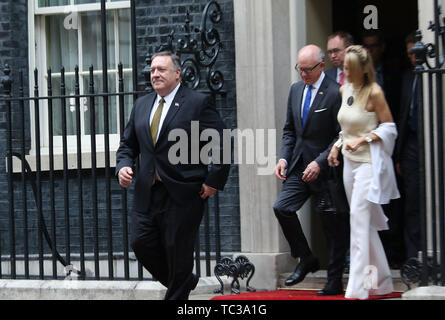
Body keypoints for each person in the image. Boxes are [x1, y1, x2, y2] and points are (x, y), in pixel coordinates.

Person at [115, 51, 230, 300]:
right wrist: (122, 166)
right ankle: (184, 280)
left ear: (177, 74)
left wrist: (214, 179)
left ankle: (179, 287)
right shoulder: (142, 104)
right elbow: (128, 145)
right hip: (148, 191)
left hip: (183, 192)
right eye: (153, 69)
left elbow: (222, 141)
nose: (155, 74)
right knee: (140, 243)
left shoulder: (197, 103)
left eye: (162, 69)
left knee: (178, 252)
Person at [273, 44, 349, 296]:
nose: (303, 74)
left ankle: (334, 280)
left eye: (308, 69)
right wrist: (283, 158)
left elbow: (342, 134)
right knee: (282, 208)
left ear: (321, 66)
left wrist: (320, 161)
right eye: (300, 69)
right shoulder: (295, 91)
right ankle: (305, 257)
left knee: (332, 227)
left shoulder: (335, 93)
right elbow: (290, 130)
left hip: (326, 168)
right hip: (297, 165)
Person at [328, 45, 399, 300]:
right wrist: (337, 146)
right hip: (349, 163)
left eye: (348, 67)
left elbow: (390, 128)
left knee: (357, 222)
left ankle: (356, 291)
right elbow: (346, 128)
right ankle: (381, 283)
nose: (343, 70)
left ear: (359, 69)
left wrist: (365, 139)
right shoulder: (344, 89)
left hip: (368, 164)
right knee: (364, 224)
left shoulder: (375, 92)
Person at [394, 32, 421, 260]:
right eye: (410, 53)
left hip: (432, 141)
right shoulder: (407, 77)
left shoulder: (432, 72)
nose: (413, 57)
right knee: (412, 202)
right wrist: (398, 156)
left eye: (415, 52)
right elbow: (402, 116)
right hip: (410, 144)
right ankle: (414, 257)